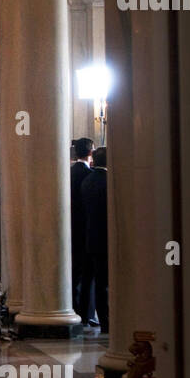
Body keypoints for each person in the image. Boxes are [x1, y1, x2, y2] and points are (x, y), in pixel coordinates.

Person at [81, 146, 108, 332]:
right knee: (104, 283)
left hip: (90, 237)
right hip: (106, 239)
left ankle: (96, 316)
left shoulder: (87, 180)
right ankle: (107, 320)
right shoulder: (108, 182)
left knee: (95, 281)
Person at [69, 138, 95, 324]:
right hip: (86, 231)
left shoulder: (68, 173)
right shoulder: (89, 176)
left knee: (73, 272)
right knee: (86, 274)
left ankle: (73, 306)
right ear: (90, 153)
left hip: (69, 229)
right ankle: (85, 313)